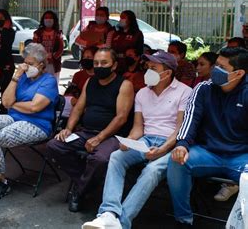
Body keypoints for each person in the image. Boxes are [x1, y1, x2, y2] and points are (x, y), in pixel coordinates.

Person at [82, 51, 192, 229]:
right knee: (117, 156)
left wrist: (163, 149)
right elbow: (138, 126)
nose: (148, 70)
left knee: (152, 170)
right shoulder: (142, 93)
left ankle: (122, 223)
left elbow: (180, 128)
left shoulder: (185, 92)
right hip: (146, 140)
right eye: (148, 67)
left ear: (167, 73)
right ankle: (109, 213)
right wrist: (129, 140)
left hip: (171, 143)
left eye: (153, 68)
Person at [0, 43, 58, 201]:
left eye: (30, 64)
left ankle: (0, 181)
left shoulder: (48, 81)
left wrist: (14, 105)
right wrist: (15, 77)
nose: (26, 67)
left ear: (41, 65)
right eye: (25, 62)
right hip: (14, 118)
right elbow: (6, 102)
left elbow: (34, 107)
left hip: (38, 124)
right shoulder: (22, 78)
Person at [168, 47, 248, 227]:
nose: (215, 70)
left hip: (241, 156)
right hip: (208, 153)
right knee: (177, 161)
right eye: (216, 65)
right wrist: (182, 144)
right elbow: (190, 119)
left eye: (221, 67)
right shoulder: (203, 88)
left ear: (239, 73)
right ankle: (184, 219)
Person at [46, 48, 134, 212]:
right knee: (54, 145)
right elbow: (78, 108)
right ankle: (85, 182)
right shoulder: (90, 82)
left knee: (99, 159)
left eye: (104, 63)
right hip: (87, 132)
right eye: (96, 63)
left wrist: (99, 138)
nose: (99, 66)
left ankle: (78, 192)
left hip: (112, 136)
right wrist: (68, 129)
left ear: (114, 65)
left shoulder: (124, 85)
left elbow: (121, 117)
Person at [33, 10, 65, 81]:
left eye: (50, 17)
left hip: (54, 63)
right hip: (41, 63)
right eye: (46, 18)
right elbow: (34, 47)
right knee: (40, 83)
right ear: (43, 20)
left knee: (53, 83)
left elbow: (61, 48)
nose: (48, 19)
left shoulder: (58, 33)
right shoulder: (37, 33)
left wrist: (53, 57)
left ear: (54, 20)